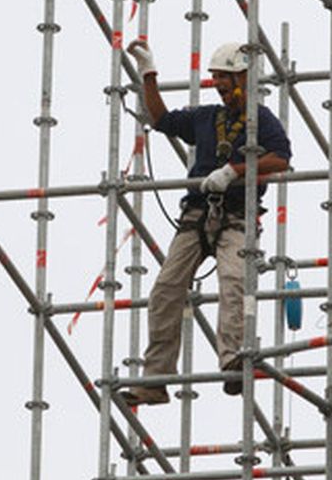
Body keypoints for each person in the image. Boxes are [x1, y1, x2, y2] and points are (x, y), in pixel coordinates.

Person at [122, 39, 292, 405]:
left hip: (236, 216)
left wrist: (236, 170)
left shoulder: (260, 120)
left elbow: (281, 160)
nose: (221, 86)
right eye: (217, 80)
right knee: (166, 290)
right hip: (197, 214)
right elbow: (162, 120)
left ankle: (233, 359)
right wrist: (149, 74)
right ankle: (155, 378)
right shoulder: (206, 118)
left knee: (234, 281)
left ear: (244, 79)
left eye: (226, 79)